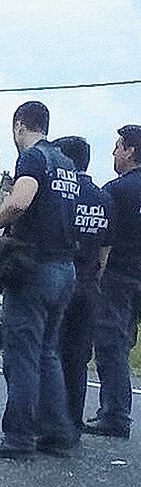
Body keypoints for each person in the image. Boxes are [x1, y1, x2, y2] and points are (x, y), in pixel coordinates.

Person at [0, 101, 79, 459]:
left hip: (35, 270)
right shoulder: (66, 163)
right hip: (66, 270)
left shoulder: (33, 158)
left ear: (20, 126)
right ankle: (57, 434)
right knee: (48, 354)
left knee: (22, 357)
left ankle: (18, 439)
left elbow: (20, 203)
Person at [53, 136, 112, 436]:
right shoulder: (104, 198)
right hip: (89, 285)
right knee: (78, 358)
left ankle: (48, 422)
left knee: (51, 352)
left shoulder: (65, 195)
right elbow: (104, 254)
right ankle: (72, 423)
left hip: (62, 279)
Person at [85, 125, 141, 439]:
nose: (114, 153)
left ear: (131, 151)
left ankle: (115, 415)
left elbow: (99, 235)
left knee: (110, 344)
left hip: (117, 275)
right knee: (125, 339)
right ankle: (116, 411)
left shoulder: (116, 191)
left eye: (119, 147)